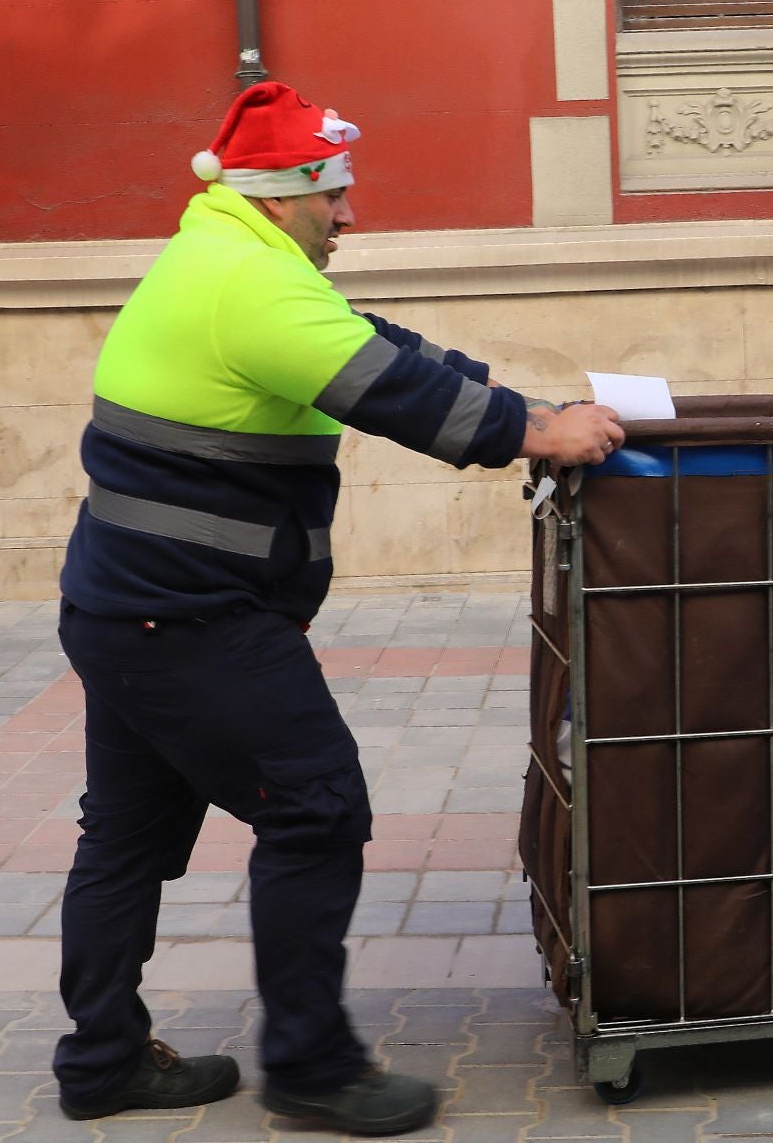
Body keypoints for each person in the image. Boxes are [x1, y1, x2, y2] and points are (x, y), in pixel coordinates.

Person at [51, 82, 624, 1135]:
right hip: (186, 618)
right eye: (333, 196)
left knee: (126, 835)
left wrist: (524, 403)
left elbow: (381, 345)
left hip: (127, 609)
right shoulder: (252, 286)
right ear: (279, 198)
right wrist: (540, 435)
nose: (348, 215)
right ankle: (312, 1067)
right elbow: (388, 391)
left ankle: (104, 1062)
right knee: (316, 809)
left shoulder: (227, 258)